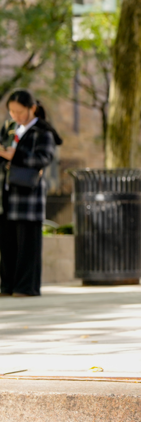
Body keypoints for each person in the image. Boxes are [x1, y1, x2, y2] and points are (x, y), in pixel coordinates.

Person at [0, 90, 61, 297]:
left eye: (19, 111)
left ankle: (26, 287)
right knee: (7, 244)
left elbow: (43, 159)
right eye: (11, 111)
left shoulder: (43, 132)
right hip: (7, 194)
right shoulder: (9, 129)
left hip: (29, 195)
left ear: (32, 109)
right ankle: (7, 286)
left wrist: (15, 155)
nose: (15, 116)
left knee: (28, 245)